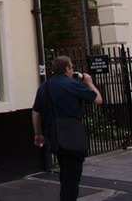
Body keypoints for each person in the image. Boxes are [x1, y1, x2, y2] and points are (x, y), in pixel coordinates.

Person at [32, 56, 103, 201]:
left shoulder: (44, 87)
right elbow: (98, 99)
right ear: (67, 69)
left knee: (65, 172)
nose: (72, 70)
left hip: (55, 137)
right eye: (71, 67)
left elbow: (35, 112)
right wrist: (89, 82)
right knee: (72, 178)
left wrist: (38, 134)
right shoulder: (72, 84)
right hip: (72, 136)